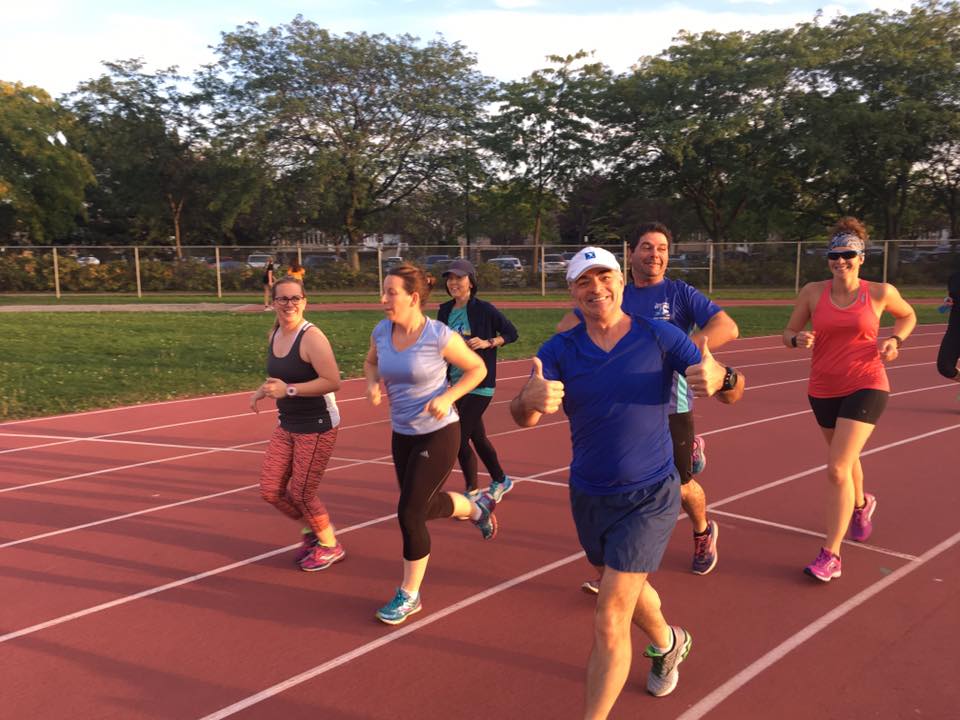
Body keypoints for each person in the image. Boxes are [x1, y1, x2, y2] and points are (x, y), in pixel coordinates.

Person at [511, 247, 745, 717]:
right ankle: (668, 640)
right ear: (572, 292)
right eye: (584, 281)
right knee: (624, 586)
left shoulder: (659, 336)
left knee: (610, 614)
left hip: (651, 492)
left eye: (605, 278)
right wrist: (528, 399)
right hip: (590, 493)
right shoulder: (558, 350)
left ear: (621, 282)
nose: (597, 289)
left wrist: (723, 378)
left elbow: (733, 392)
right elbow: (523, 416)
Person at [559, 222, 739, 580]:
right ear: (630, 254)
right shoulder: (613, 291)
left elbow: (727, 327)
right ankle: (615, 569)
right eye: (646, 247)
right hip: (620, 405)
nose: (654, 255)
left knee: (681, 484)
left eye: (661, 249)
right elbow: (567, 327)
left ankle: (703, 531)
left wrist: (682, 350)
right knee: (617, 476)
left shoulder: (679, 293)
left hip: (672, 405)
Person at [364, 263, 499, 625]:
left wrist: (448, 396)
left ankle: (410, 594)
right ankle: (475, 509)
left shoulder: (437, 335)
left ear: (412, 297)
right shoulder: (381, 331)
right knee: (422, 507)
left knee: (409, 513)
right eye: (383, 291)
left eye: (390, 292)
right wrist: (373, 383)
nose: (383, 299)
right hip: (402, 433)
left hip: (439, 431)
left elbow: (477, 369)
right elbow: (371, 362)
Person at [783, 217, 916, 582]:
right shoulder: (813, 292)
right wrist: (797, 340)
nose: (840, 261)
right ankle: (861, 503)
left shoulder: (879, 292)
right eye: (834, 255)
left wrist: (895, 340)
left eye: (847, 255)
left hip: (867, 382)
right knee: (847, 458)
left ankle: (832, 555)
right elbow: (788, 332)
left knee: (837, 467)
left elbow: (908, 315)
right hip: (823, 387)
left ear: (861, 258)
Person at [249, 277, 346, 571]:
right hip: (287, 423)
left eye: (295, 298)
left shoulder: (312, 337)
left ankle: (330, 545)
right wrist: (263, 390)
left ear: (304, 301)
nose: (289, 304)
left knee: (302, 492)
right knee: (271, 490)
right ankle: (314, 531)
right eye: (283, 299)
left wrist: (288, 390)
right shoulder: (275, 333)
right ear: (274, 302)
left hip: (317, 424)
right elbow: (278, 375)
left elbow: (333, 382)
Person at [437, 258, 519, 502]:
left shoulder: (484, 310)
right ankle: (501, 479)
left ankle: (472, 491)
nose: (453, 283)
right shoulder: (445, 310)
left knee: (458, 438)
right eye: (450, 279)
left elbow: (511, 333)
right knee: (477, 437)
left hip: (479, 382)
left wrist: (488, 342)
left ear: (470, 282)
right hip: (456, 384)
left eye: (459, 278)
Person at [935, 269, 960, 387]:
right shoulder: (955, 276)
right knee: (945, 366)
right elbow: (952, 298)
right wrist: (947, 302)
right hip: (955, 329)